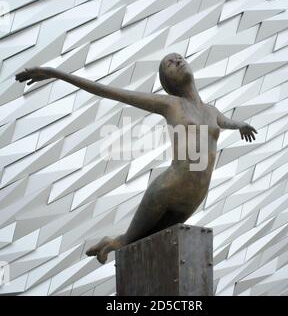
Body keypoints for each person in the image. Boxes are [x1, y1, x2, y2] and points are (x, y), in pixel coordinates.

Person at [15, 52, 257, 264]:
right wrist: (56, 73)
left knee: (160, 250)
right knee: (131, 243)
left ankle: (116, 247)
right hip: (170, 187)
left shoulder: (211, 111)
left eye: (179, 58)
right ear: (167, 82)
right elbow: (111, 92)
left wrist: (242, 125)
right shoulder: (171, 104)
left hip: (196, 194)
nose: (177, 61)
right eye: (170, 64)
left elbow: (227, 122)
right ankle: (114, 245)